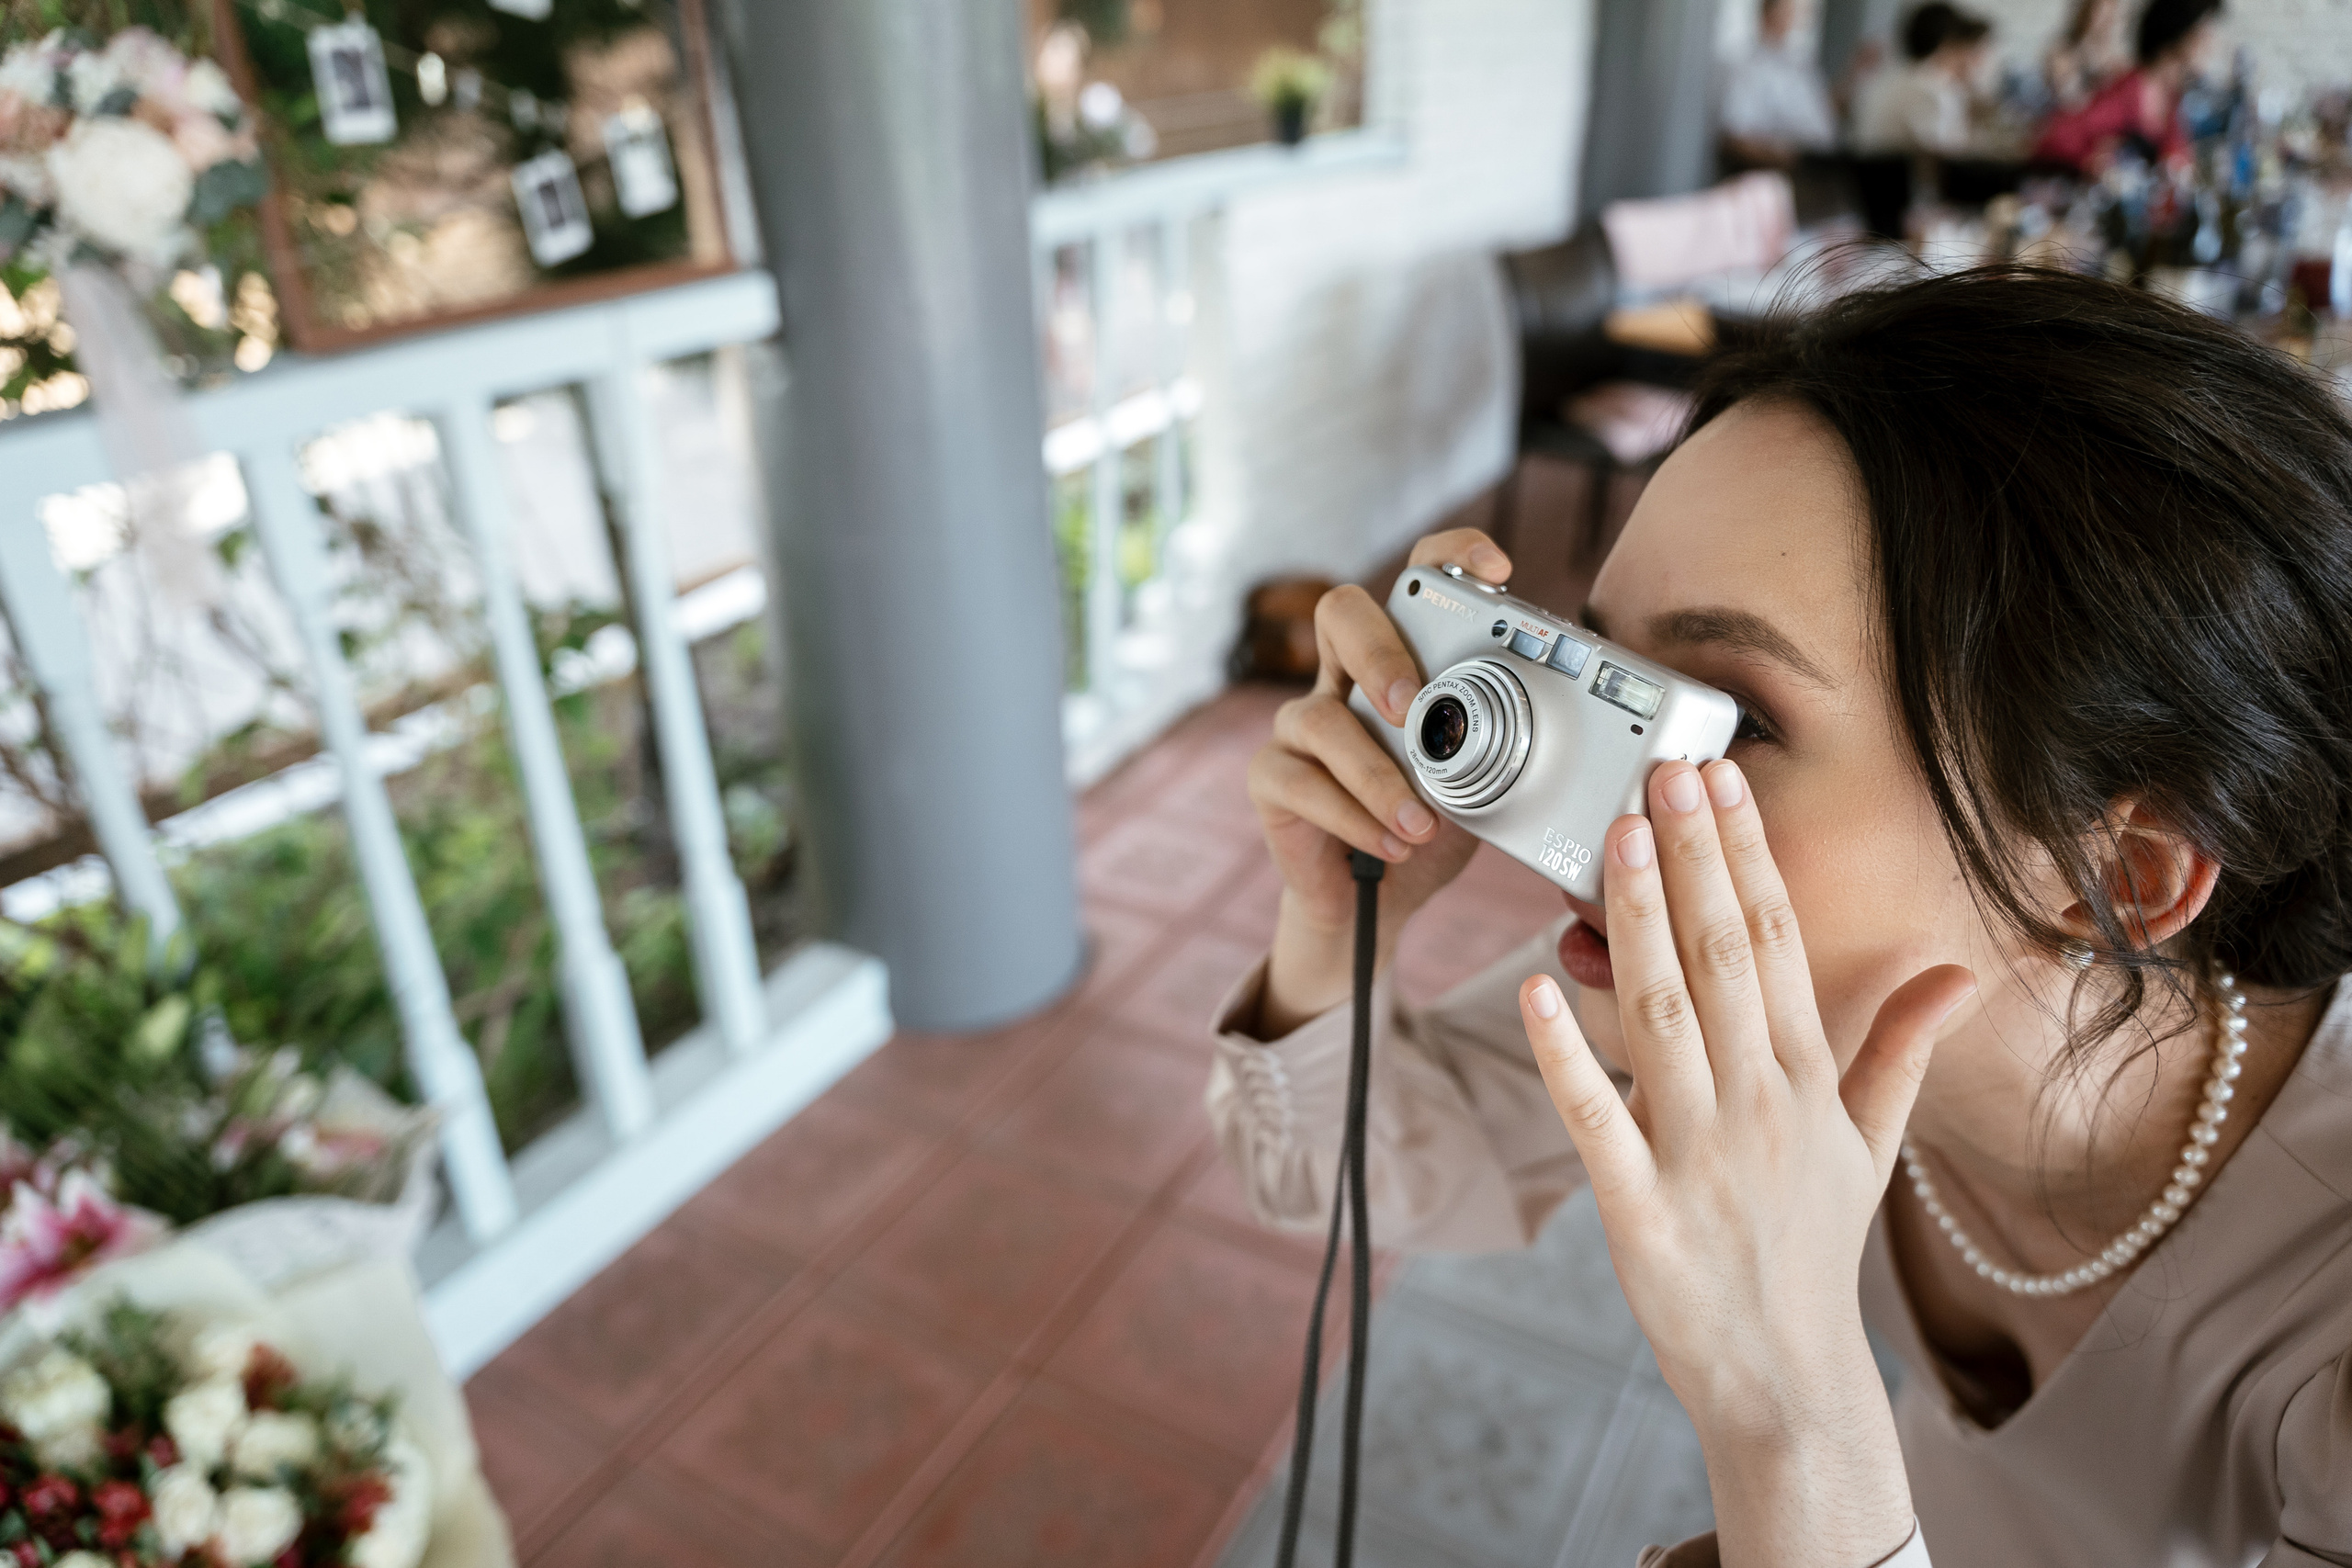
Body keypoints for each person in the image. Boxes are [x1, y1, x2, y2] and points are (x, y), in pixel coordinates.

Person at [1210, 266, 2352, 1567]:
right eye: (1607, 681)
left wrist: (1790, 1420)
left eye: (1733, 721)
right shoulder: (1749, 1005)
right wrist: (1334, 913)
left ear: (2123, 873)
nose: (1580, 802)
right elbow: (1328, 1173)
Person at [2032, 0, 2221, 174]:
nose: (2211, 40)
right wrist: (2090, 159)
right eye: (2202, 30)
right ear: (2176, 34)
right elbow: (2057, 137)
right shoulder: (2126, 91)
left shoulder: (2173, 100)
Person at [1850, 4, 1995, 156]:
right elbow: (1950, 161)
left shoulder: (1902, 78)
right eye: (1977, 52)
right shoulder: (1928, 90)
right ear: (1950, 45)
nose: (1983, 63)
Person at [1719, 0, 1840, 172]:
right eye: (1791, 11)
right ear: (1768, 13)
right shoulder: (1747, 67)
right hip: (1774, 174)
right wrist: (1788, 161)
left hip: (1819, 172)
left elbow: (1823, 124)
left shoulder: (1802, 67)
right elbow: (1735, 139)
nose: (1799, 20)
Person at [2043, 0, 2129, 111]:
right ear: (2086, 14)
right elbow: (2066, 95)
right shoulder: (2063, 50)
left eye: (2111, 18)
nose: (2108, 23)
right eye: (2102, 16)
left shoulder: (2112, 56)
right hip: (2071, 116)